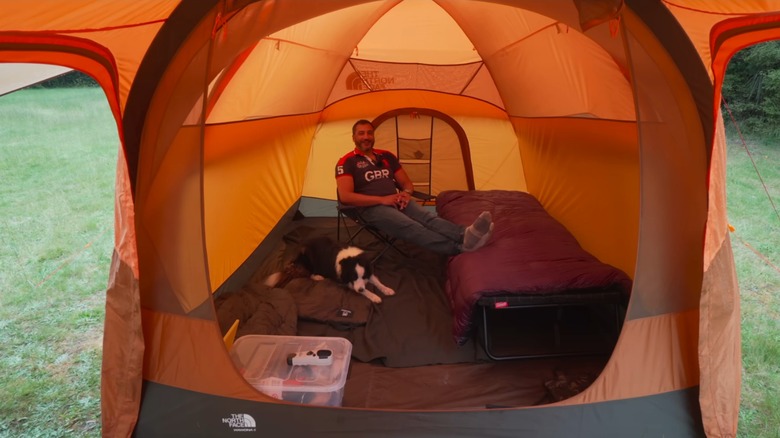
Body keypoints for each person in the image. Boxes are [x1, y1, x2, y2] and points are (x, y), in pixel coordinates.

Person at [335, 119, 494, 256]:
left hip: (397, 201)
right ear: (354, 137)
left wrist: (406, 193)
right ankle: (458, 248)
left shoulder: (386, 156)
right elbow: (345, 196)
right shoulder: (347, 162)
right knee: (412, 226)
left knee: (428, 217)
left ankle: (465, 234)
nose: (366, 137)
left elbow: (407, 184)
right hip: (371, 209)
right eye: (361, 133)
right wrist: (382, 200)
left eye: (369, 133)